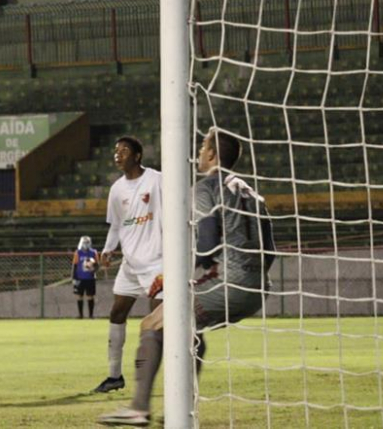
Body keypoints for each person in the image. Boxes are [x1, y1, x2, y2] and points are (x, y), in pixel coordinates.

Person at [97, 128, 277, 427]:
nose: (200, 153)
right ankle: (182, 411)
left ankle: (139, 408)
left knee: (151, 324)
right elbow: (270, 250)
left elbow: (205, 247)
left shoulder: (206, 188)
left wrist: (176, 276)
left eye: (204, 147)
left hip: (228, 282)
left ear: (212, 154)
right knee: (187, 331)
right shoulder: (250, 191)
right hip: (259, 287)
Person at [92, 136, 163, 394]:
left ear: (137, 156)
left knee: (160, 323)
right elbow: (116, 225)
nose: (118, 155)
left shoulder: (157, 180)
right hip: (130, 264)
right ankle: (114, 376)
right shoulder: (116, 189)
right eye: (116, 151)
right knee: (117, 314)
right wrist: (108, 250)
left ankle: (175, 376)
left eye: (124, 150)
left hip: (156, 263)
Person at [71, 235, 99, 319]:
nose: (85, 244)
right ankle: (80, 315)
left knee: (90, 296)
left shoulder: (93, 252)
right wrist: (74, 277)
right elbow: (75, 265)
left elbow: (97, 265)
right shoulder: (78, 253)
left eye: (87, 243)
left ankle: (91, 315)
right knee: (79, 296)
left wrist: (93, 270)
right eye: (84, 242)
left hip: (90, 278)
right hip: (80, 277)